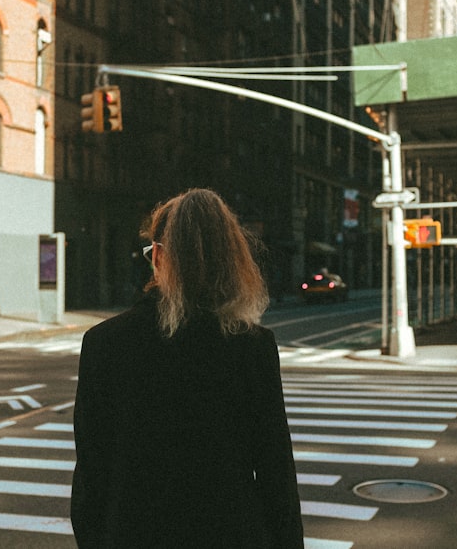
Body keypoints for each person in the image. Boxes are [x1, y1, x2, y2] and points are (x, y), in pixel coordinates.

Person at [70, 188, 303, 548]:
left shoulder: (105, 343)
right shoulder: (253, 346)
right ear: (231, 259)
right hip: (232, 534)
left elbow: (91, 474)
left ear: (159, 257)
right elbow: (277, 476)